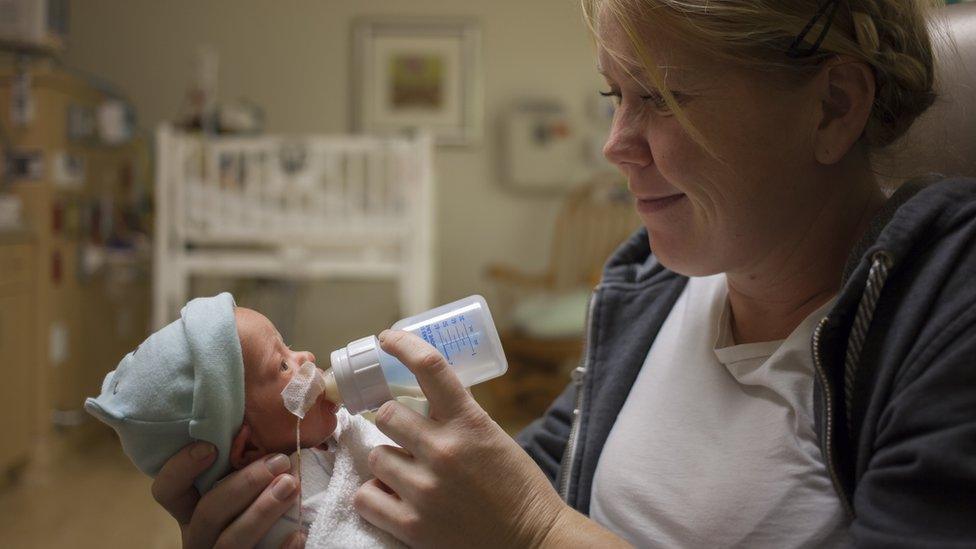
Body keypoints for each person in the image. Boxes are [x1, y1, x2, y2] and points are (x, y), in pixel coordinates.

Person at [152, 0, 976, 546]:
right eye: (613, 95)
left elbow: (524, 506)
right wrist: (291, 507)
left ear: (833, 105)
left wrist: (531, 528)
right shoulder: (648, 290)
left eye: (660, 96)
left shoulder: (946, 304)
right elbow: (530, 468)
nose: (615, 144)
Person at [86, 293, 400, 548]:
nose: (306, 357)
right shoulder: (286, 511)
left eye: (288, 347)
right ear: (248, 447)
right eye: (281, 365)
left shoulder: (327, 437)